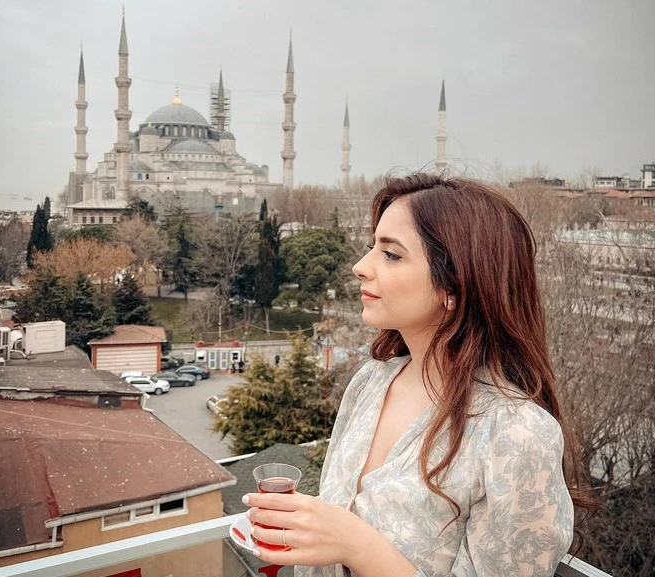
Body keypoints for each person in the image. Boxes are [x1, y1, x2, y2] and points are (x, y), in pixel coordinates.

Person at [242, 174, 591, 576]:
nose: (359, 267)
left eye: (391, 254)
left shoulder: (516, 435)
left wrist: (357, 544)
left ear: (454, 286)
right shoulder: (372, 382)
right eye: (372, 247)